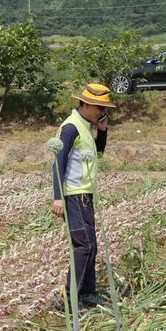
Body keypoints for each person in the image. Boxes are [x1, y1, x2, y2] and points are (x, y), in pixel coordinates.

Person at [50, 83, 113, 310]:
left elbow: (97, 153)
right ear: (86, 104)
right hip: (73, 196)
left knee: (91, 246)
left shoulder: (86, 126)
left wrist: (102, 131)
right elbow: (58, 162)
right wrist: (58, 197)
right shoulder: (70, 128)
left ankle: (88, 293)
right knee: (83, 246)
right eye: (99, 107)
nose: (103, 112)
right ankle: (68, 299)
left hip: (85, 195)